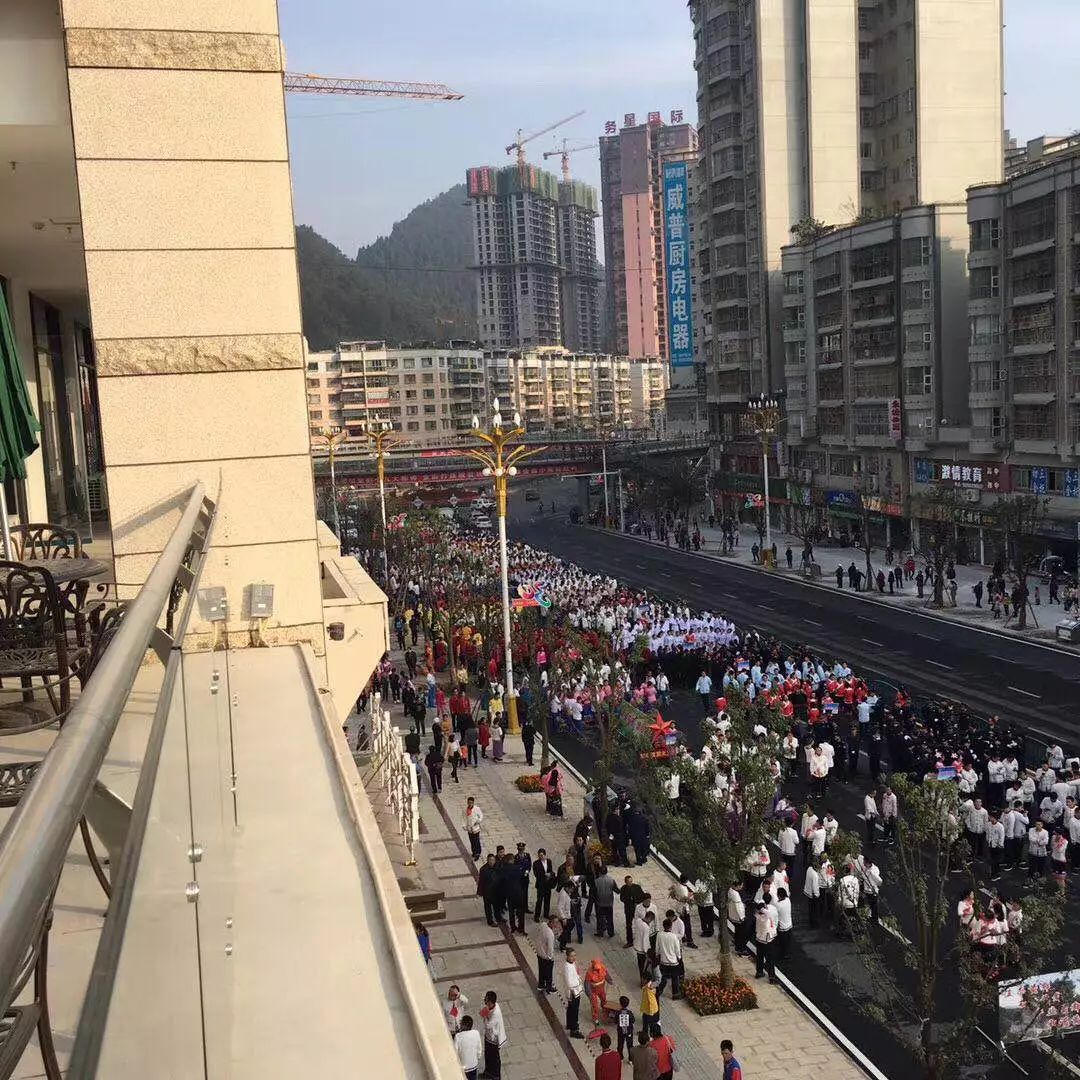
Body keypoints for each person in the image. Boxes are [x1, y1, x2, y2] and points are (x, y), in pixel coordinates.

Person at [479, 990, 505, 1080]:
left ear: (490, 1002)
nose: (484, 1002)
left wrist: (484, 1015)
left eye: (486, 1000)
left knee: (494, 1058)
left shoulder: (496, 1013)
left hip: (494, 1039)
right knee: (487, 1055)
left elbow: (488, 1025)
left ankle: (496, 1076)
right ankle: (488, 1073)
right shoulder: (490, 1007)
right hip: (488, 1036)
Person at [655, 917, 683, 1000]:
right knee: (675, 978)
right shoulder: (674, 937)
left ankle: (659, 991)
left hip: (663, 961)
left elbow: (657, 947)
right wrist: (679, 957)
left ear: (663, 926)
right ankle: (675, 994)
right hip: (673, 962)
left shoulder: (659, 935)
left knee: (663, 977)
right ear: (671, 926)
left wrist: (657, 955)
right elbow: (677, 950)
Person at [564, 947, 586, 1039]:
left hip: (575, 991)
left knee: (570, 1009)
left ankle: (569, 1024)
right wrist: (578, 983)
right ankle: (574, 1030)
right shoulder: (567, 967)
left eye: (574, 955)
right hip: (573, 992)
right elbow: (569, 982)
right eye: (571, 956)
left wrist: (578, 977)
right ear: (567, 956)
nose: (574, 958)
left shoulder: (571, 964)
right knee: (574, 1011)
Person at [754, 901, 778, 982]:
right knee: (770, 958)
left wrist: (759, 908)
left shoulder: (757, 916)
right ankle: (772, 977)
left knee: (759, 956)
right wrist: (762, 908)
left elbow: (759, 912)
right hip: (767, 939)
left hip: (759, 938)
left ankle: (759, 972)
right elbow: (768, 913)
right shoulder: (765, 916)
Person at [455, 1015, 483, 1080]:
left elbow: (455, 1052)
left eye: (461, 1023)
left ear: (464, 1025)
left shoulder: (458, 1036)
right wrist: (478, 1057)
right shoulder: (476, 1033)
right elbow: (479, 1048)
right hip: (474, 1065)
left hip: (464, 1067)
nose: (460, 1024)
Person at [536, 915, 558, 992]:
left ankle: (541, 985)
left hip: (539, 953)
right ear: (551, 922)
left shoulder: (543, 925)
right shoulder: (550, 934)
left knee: (541, 970)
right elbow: (550, 948)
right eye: (555, 922)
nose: (557, 924)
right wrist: (551, 958)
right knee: (548, 973)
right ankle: (549, 987)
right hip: (546, 957)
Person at [533, 848, 556, 921]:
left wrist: (550, 874)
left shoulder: (549, 861)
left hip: (548, 884)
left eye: (542, 855)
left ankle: (546, 914)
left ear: (545, 855)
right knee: (539, 901)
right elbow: (536, 874)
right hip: (540, 885)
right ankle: (537, 916)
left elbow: (551, 871)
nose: (541, 857)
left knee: (547, 900)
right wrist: (545, 875)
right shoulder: (536, 863)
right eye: (539, 855)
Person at [615, 995, 636, 1063]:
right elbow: (633, 1020)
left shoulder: (618, 1013)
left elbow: (615, 1021)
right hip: (629, 1032)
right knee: (630, 1045)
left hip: (620, 1032)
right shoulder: (630, 1013)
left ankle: (620, 1057)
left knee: (620, 1044)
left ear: (620, 1004)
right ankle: (630, 1059)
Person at [640, 975, 661, 1040]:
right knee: (645, 1021)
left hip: (650, 1010)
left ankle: (652, 1036)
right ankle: (644, 1033)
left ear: (646, 980)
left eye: (643, 979)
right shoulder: (648, 986)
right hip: (646, 1009)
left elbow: (651, 1001)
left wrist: (651, 1012)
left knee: (651, 1024)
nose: (641, 980)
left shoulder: (649, 989)